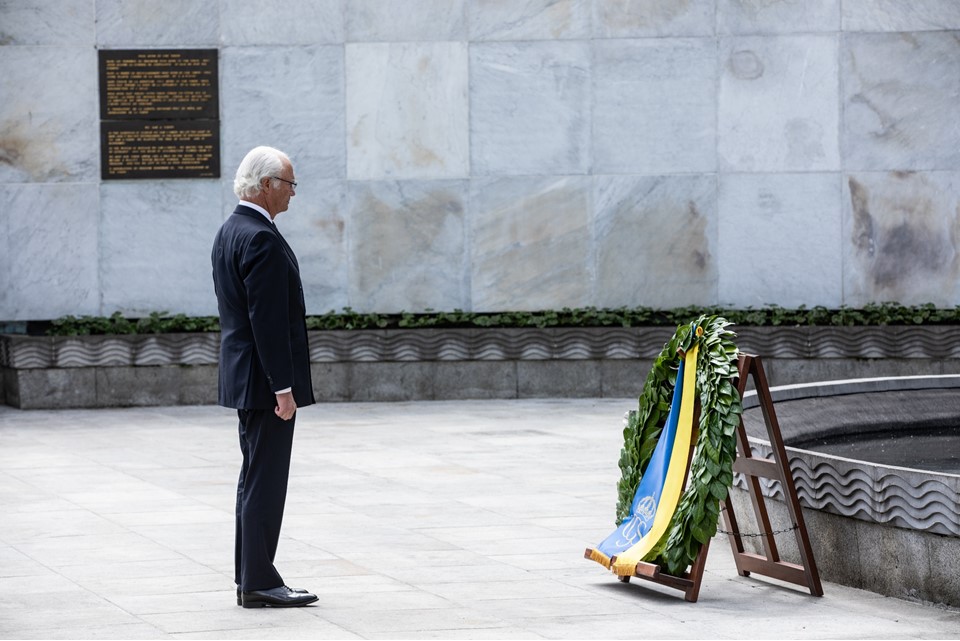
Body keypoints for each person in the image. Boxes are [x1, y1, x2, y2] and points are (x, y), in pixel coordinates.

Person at [211, 146, 317, 608]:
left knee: (254, 478)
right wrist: (283, 388)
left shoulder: (231, 230)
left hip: (245, 378)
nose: (294, 192)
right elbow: (267, 321)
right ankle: (258, 581)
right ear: (266, 185)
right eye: (290, 183)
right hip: (264, 383)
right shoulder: (260, 238)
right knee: (265, 481)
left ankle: (251, 576)